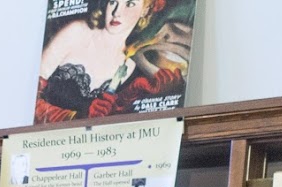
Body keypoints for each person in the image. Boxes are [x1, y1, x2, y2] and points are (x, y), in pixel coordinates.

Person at [36, 0, 183, 123]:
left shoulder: (131, 69)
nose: (116, 12)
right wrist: (76, 117)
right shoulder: (77, 32)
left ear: (146, 10)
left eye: (130, 3)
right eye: (113, 2)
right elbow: (29, 99)